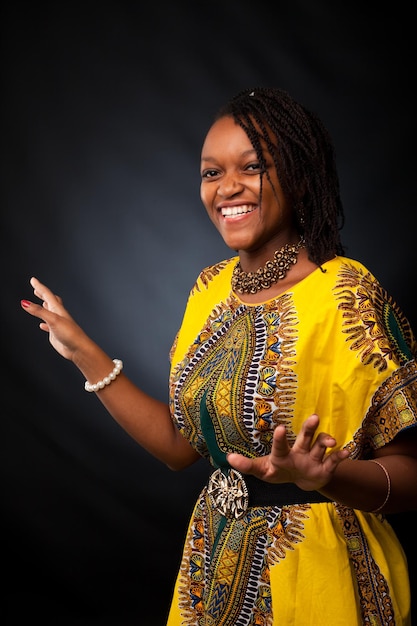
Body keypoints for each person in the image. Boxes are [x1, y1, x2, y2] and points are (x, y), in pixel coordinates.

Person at [21, 87, 417, 625]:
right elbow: (181, 448)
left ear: (299, 177)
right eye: (211, 172)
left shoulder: (346, 293)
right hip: (213, 566)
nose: (227, 187)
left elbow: (410, 475)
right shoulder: (210, 289)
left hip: (322, 571)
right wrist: (82, 352)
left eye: (252, 167)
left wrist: (325, 477)